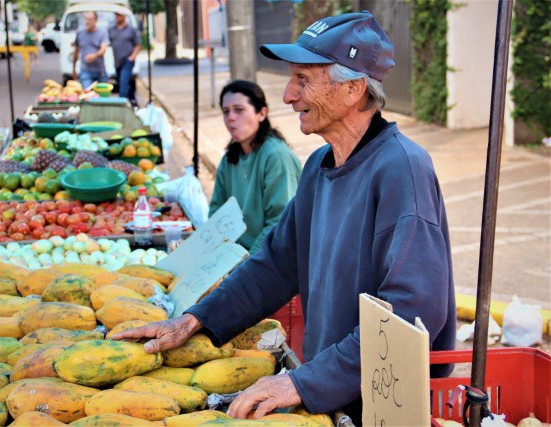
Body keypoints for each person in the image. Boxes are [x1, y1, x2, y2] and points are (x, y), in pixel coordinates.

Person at [111, 11, 456, 425]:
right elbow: (276, 263)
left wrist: (305, 382)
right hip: (331, 393)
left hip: (383, 404)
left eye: (303, 80)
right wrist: (196, 319)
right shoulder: (319, 166)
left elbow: (412, 310)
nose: (288, 95)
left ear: (353, 89)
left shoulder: (402, 169)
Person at [209, 80, 301, 254]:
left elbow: (279, 223)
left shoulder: (276, 156)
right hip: (235, 257)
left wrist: (248, 263)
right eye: (226, 111)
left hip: (270, 258)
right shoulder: (229, 159)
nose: (230, 118)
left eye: (239, 109)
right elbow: (216, 213)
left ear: (262, 113)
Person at [108, 12, 141, 104]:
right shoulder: (111, 30)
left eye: (119, 15)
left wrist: (132, 57)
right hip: (117, 62)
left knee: (123, 85)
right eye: (116, 15)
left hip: (128, 61)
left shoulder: (131, 30)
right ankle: (134, 102)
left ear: (124, 16)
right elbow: (105, 42)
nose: (117, 17)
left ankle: (120, 104)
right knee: (124, 83)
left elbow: (138, 45)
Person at [71, 11, 109, 89]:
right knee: (87, 92)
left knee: (101, 95)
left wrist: (94, 56)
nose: (87, 22)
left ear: (96, 20)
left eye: (90, 19)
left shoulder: (102, 33)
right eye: (86, 19)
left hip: (100, 71)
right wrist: (74, 69)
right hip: (85, 70)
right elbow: (76, 52)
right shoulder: (80, 33)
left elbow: (103, 49)